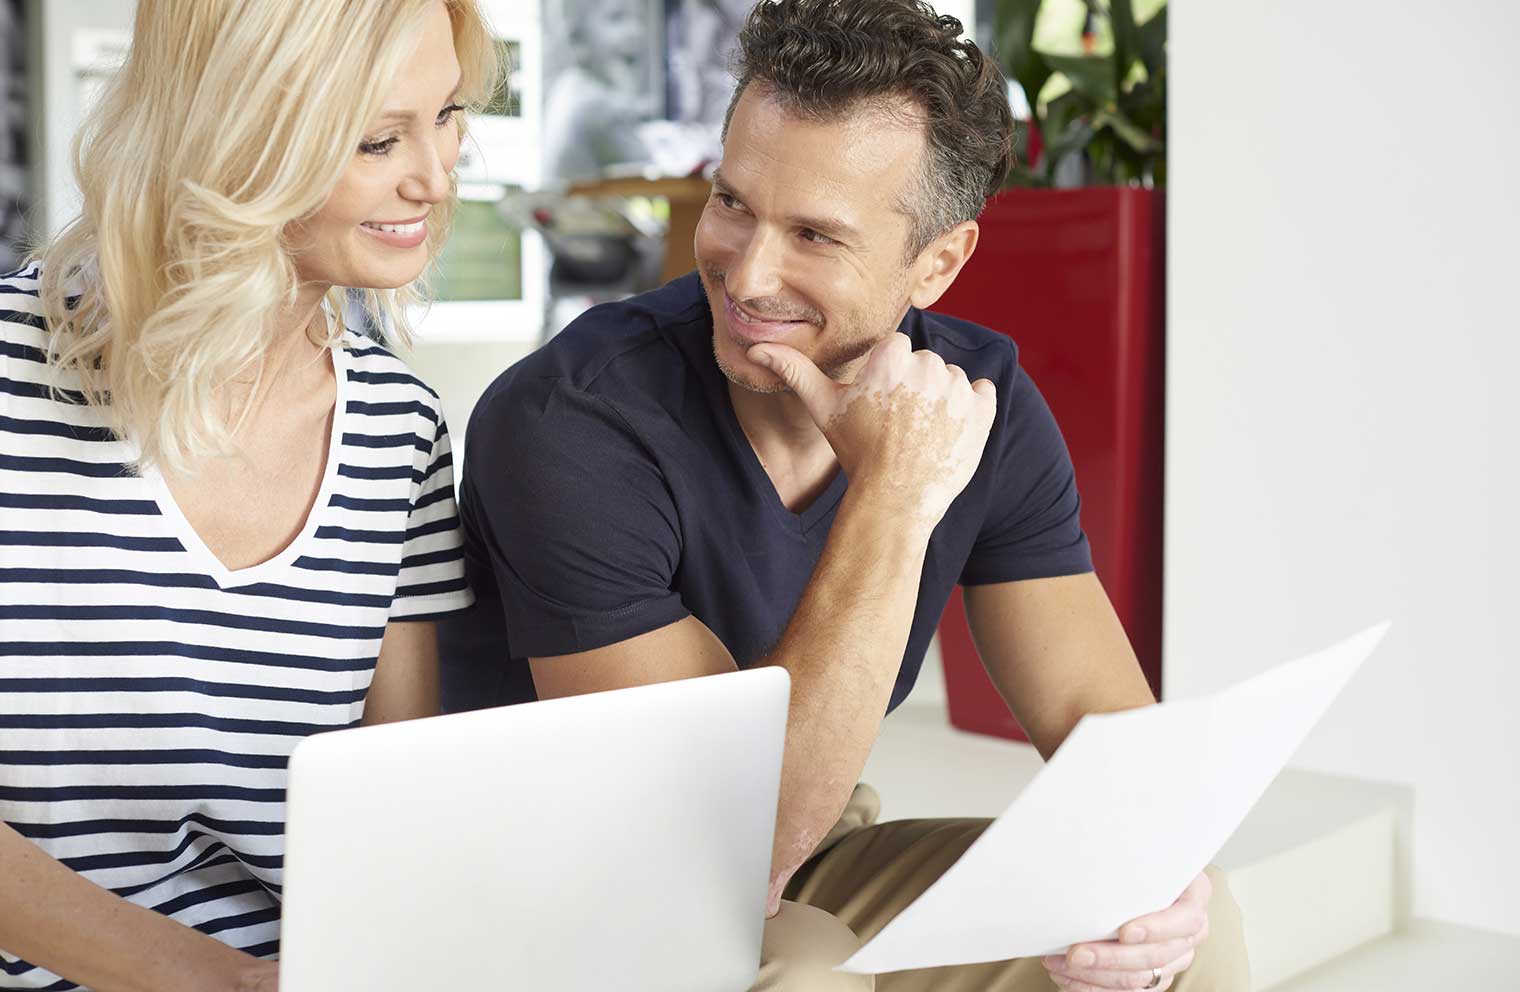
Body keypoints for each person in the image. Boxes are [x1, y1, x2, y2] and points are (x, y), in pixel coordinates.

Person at [444, 0, 1251, 989]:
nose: (746, 271)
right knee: (810, 974)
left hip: (813, 844)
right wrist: (895, 494)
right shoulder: (569, 420)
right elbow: (721, 840)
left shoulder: (976, 403)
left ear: (938, 261)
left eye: (814, 235)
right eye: (732, 201)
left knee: (1183, 934)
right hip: (562, 888)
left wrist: (1156, 877)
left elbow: (1105, 727)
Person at [0, 1, 497, 989]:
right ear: (234, 137)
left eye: (444, 115)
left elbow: (389, 809)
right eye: (374, 138)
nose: (434, 178)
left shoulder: (398, 427)